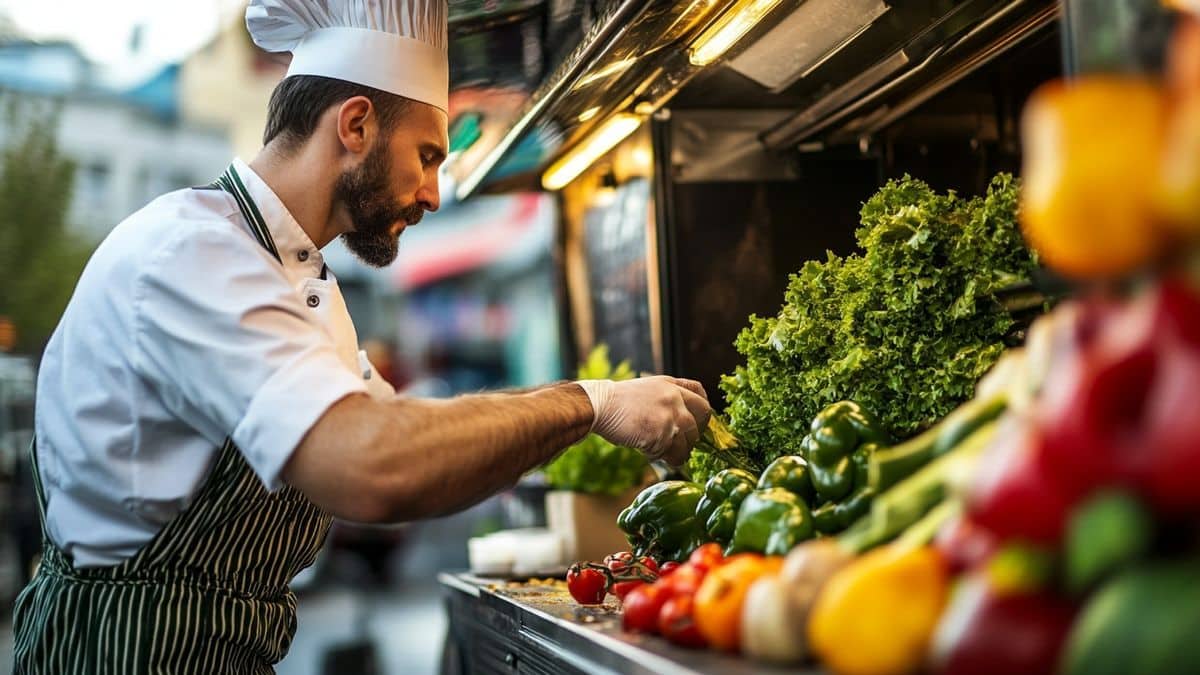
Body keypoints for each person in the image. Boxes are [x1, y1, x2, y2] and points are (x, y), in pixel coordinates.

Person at [10, 1, 711, 672]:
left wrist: (588, 421)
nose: (435, 193)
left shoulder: (302, 286)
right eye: (428, 155)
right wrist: (590, 402)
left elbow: (410, 440)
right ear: (355, 126)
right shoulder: (193, 256)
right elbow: (375, 468)